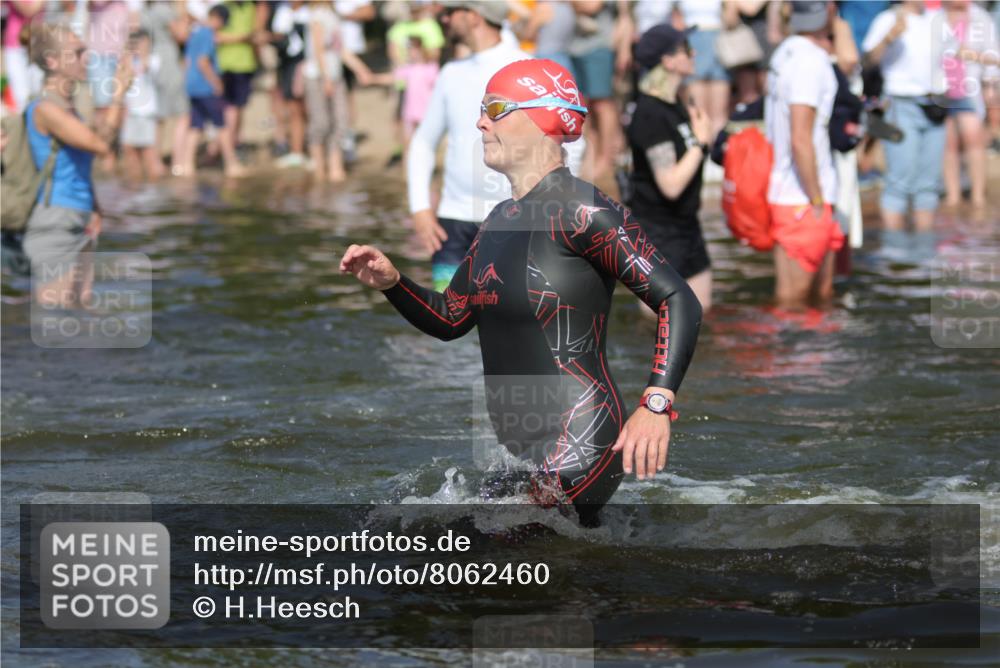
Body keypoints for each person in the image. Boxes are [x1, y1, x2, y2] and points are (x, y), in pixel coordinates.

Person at [340, 59, 702, 525]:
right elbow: (451, 317)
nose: (480, 123)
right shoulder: (498, 220)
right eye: (481, 110)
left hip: (581, 440)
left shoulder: (585, 211)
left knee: (477, 547)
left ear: (544, 119)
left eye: (495, 109)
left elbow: (677, 299)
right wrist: (393, 283)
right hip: (520, 454)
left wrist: (656, 404)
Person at [406, 1, 531, 291]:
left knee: (506, 317)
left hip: (512, 222)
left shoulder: (527, 68)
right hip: (452, 223)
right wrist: (420, 208)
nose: (444, 19)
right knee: (445, 315)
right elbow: (423, 142)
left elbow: (568, 143)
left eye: (451, 12)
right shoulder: (451, 72)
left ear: (474, 16)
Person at [21, 21, 132, 306]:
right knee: (55, 314)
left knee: (81, 308)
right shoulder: (45, 109)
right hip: (55, 219)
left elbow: (79, 162)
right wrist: (118, 94)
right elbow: (101, 146)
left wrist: (94, 205)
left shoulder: (70, 109)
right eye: (78, 52)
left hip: (81, 213)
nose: (87, 58)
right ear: (52, 61)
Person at [627, 24, 714, 311]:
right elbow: (671, 185)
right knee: (660, 325)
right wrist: (701, 143)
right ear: (668, 61)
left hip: (687, 226)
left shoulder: (676, 102)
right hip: (658, 233)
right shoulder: (650, 113)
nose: (694, 53)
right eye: (686, 49)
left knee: (700, 317)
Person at [765, 1, 844, 310]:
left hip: (800, 193)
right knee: (793, 304)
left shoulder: (786, 50)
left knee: (820, 301)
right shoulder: (810, 62)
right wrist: (816, 200)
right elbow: (800, 138)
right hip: (801, 197)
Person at [862, 0, 947, 242]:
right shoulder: (888, 19)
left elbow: (957, 51)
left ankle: (924, 250)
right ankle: (896, 251)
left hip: (935, 106)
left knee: (928, 185)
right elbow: (867, 61)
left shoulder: (936, 18)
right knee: (899, 181)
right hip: (901, 104)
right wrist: (889, 37)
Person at [303, 0, 373, 182]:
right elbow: (317, 49)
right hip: (318, 76)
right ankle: (319, 169)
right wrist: (326, 77)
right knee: (321, 122)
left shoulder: (334, 15)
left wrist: (361, 69)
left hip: (336, 75)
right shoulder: (317, 15)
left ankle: (335, 167)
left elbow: (339, 49)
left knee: (341, 120)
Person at [940, 0, 997, 210]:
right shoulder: (935, 15)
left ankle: (978, 196)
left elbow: (992, 53)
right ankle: (953, 196)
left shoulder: (980, 17)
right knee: (949, 143)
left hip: (969, 88)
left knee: (974, 140)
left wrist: (990, 89)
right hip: (941, 89)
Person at [180, 3, 244, 177]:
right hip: (205, 87)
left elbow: (187, 61)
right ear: (218, 19)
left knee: (196, 126)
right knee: (221, 125)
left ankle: (187, 165)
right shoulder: (207, 34)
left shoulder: (194, 33)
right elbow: (203, 62)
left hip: (192, 86)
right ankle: (232, 164)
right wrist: (216, 83)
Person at [142, 0, 191, 176]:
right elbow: (182, 35)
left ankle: (155, 161)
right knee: (183, 115)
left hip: (156, 62)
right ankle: (179, 163)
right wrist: (184, 16)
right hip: (169, 63)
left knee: (159, 115)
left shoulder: (147, 10)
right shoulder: (165, 10)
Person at [216, 1, 258, 164]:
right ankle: (226, 148)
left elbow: (254, 33)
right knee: (230, 109)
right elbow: (216, 35)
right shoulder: (224, 7)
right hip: (227, 65)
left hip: (246, 64)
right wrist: (242, 37)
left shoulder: (249, 6)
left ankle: (233, 144)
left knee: (239, 108)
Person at [120, 28, 164, 179]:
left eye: (145, 44)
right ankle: (136, 184)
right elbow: (124, 74)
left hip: (147, 114)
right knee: (129, 150)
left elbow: (144, 67)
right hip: (131, 113)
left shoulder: (154, 59)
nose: (143, 47)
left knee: (149, 152)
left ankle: (153, 186)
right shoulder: (128, 60)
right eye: (139, 43)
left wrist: (136, 54)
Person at [3, 1, 45, 113]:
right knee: (21, 96)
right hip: (14, 45)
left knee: (38, 91)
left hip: (37, 44)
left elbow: (30, 10)